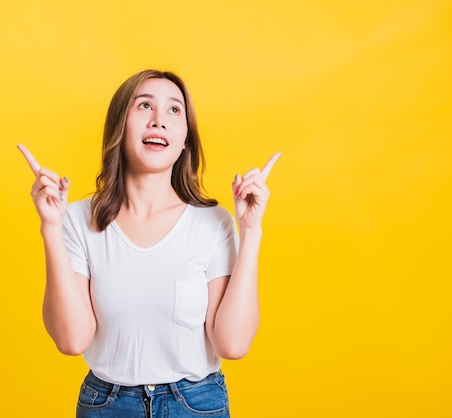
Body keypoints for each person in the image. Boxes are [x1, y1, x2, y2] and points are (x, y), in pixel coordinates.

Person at [18, 69, 280, 418]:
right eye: (144, 106)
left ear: (185, 137)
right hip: (107, 405)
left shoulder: (214, 223)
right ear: (120, 125)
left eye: (174, 111)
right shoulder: (77, 220)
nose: (159, 121)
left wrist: (252, 232)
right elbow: (71, 340)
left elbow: (232, 345)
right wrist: (51, 227)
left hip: (196, 405)